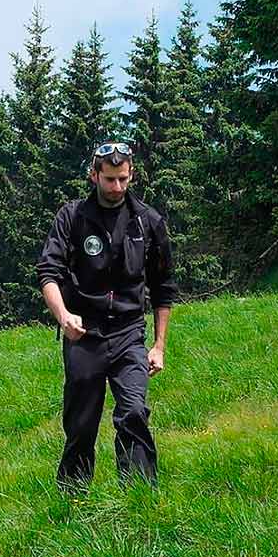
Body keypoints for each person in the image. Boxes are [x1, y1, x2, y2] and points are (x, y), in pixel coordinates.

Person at [35, 142, 178, 491]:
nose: (117, 187)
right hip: (84, 333)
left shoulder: (148, 221)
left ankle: (139, 497)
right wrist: (63, 316)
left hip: (129, 332)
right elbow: (48, 272)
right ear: (94, 175)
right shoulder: (72, 217)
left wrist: (158, 346)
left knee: (133, 412)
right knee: (81, 424)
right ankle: (72, 497)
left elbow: (164, 287)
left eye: (123, 179)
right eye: (110, 179)